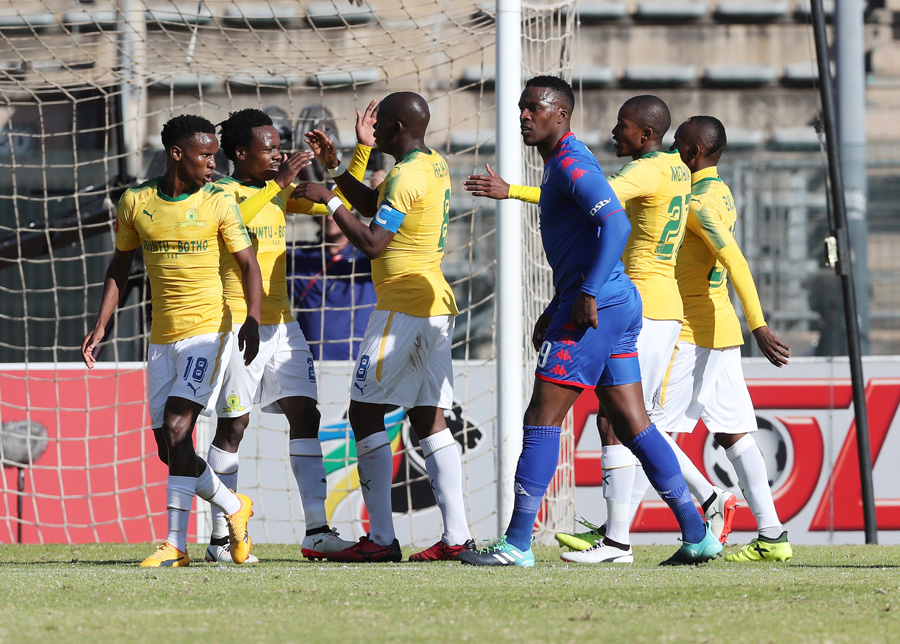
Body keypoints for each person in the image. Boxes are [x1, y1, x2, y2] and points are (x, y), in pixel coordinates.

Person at [456, 76, 721, 567]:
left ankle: (516, 544)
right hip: (614, 302)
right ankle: (697, 531)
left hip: (599, 305)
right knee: (633, 423)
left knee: (542, 419)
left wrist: (586, 293)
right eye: (521, 108)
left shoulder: (573, 163)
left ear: (561, 114)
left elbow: (616, 222)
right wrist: (563, 301)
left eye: (534, 108)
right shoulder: (563, 162)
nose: (523, 116)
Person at [293, 92, 475, 563]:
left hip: (402, 307)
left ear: (393, 129)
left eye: (380, 128)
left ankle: (380, 538)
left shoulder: (407, 173)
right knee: (427, 417)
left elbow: (373, 243)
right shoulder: (430, 164)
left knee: (364, 413)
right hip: (433, 303)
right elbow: (375, 201)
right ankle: (457, 536)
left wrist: (331, 200)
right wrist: (340, 170)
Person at [81, 114, 259, 567]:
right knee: (169, 448)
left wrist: (252, 319)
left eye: (215, 155)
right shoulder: (136, 202)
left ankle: (175, 544)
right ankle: (235, 506)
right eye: (205, 155)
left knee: (181, 428)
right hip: (161, 339)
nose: (213, 164)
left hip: (208, 332)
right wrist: (102, 324)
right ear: (177, 154)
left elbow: (249, 265)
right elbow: (120, 266)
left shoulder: (219, 201)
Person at [206, 107, 375, 563]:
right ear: (241, 153)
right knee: (234, 426)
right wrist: (278, 188)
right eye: (269, 147)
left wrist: (353, 154)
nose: (278, 153)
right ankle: (223, 536)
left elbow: (334, 200)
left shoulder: (276, 192)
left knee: (306, 416)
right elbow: (231, 222)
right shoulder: (220, 192)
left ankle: (317, 532)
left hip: (283, 325)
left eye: (280, 146)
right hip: (240, 322)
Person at [654, 115, 792, 562]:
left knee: (645, 428)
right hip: (720, 328)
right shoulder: (721, 190)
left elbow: (736, 261)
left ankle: (707, 502)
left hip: (694, 331)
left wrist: (760, 324)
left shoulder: (696, 204)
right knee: (734, 434)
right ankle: (772, 536)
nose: (671, 150)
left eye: (677, 144)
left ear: (693, 154)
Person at [287, 212, 376, 361]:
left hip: (362, 363)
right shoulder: (298, 256)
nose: (329, 217)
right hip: (309, 362)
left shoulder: (370, 258)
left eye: (336, 209)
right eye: (323, 211)